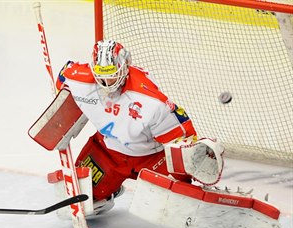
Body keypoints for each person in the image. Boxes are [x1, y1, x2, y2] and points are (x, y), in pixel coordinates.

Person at [55, 39, 197, 213]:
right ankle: (109, 188)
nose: (107, 81)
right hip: (107, 152)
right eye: (101, 74)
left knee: (176, 201)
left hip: (150, 157)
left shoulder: (149, 100)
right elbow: (64, 76)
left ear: (124, 66)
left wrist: (192, 162)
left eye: (112, 74)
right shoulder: (81, 80)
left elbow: (182, 135)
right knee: (77, 198)